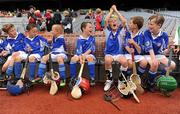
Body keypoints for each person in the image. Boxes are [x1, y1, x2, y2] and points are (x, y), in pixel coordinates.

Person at [143, 14, 176, 92]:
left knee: (172, 65)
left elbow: (163, 51)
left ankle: (160, 78)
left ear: (159, 25)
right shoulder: (147, 33)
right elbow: (149, 48)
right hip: (147, 54)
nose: (149, 26)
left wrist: (169, 48)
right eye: (148, 24)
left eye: (151, 24)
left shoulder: (164, 35)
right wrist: (154, 59)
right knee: (154, 64)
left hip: (158, 55)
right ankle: (150, 83)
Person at [103, 5, 128, 91]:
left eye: (115, 21)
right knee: (107, 60)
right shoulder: (107, 31)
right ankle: (109, 80)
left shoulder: (121, 31)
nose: (114, 22)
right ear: (110, 24)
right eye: (112, 21)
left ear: (118, 23)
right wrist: (111, 11)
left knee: (124, 62)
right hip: (109, 53)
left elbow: (124, 21)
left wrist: (116, 10)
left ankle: (121, 80)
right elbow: (105, 20)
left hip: (119, 53)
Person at [69, 22, 96, 86]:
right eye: (89, 27)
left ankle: (92, 78)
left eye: (91, 27)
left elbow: (91, 49)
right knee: (73, 59)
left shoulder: (92, 38)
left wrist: (84, 55)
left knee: (90, 58)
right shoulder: (79, 39)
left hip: (89, 54)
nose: (91, 29)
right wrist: (81, 58)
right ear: (83, 29)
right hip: (80, 54)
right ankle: (73, 78)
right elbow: (79, 51)